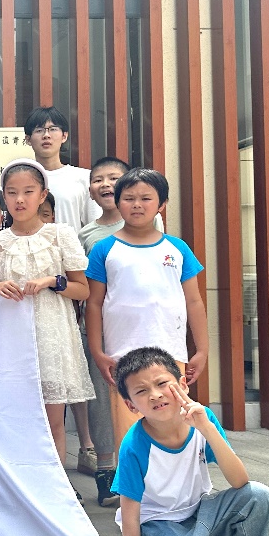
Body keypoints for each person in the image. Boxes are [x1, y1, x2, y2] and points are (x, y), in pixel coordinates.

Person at [113, 346, 269, 536]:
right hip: (159, 525)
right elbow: (129, 519)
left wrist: (206, 428)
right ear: (131, 405)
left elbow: (240, 481)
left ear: (182, 384)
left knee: (258, 496)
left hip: (200, 514)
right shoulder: (134, 446)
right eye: (141, 391)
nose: (155, 395)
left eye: (161, 383)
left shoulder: (202, 419)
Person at [86, 167, 208, 452]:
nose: (137, 205)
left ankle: (173, 480)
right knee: (129, 430)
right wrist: (97, 351)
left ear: (162, 204)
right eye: (129, 198)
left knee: (173, 424)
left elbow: (194, 301)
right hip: (122, 355)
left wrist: (202, 350)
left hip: (170, 352)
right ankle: (132, 481)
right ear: (118, 202)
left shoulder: (178, 248)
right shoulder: (104, 249)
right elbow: (93, 303)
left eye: (146, 198)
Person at [0, 158, 94, 477]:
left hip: (52, 336)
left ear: (43, 195)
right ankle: (22, 484)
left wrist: (52, 281)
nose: (20, 199)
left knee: (52, 420)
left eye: (28, 192)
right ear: (3, 196)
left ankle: (57, 487)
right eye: (12, 192)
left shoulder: (60, 235)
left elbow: (82, 289)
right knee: (15, 418)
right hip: (10, 338)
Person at [76, 156, 140, 507]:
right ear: (90, 190)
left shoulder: (150, 224)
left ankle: (141, 470)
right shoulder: (86, 235)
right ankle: (105, 473)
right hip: (99, 327)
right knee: (100, 399)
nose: (105, 184)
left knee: (138, 397)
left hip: (138, 327)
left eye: (113, 178)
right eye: (98, 179)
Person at [24, 105, 101, 232]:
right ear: (28, 139)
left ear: (64, 136)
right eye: (39, 130)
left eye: (53, 129)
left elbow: (95, 227)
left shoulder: (84, 178)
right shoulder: (20, 180)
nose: (46, 135)